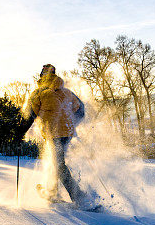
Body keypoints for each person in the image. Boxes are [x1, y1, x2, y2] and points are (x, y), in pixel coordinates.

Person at [20, 64, 99, 210]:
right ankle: (52, 191)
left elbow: (30, 116)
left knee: (59, 165)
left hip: (55, 134)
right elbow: (81, 110)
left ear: (42, 76)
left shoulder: (38, 93)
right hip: (67, 133)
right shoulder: (67, 92)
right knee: (57, 161)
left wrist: (20, 132)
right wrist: (71, 123)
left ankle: (79, 198)